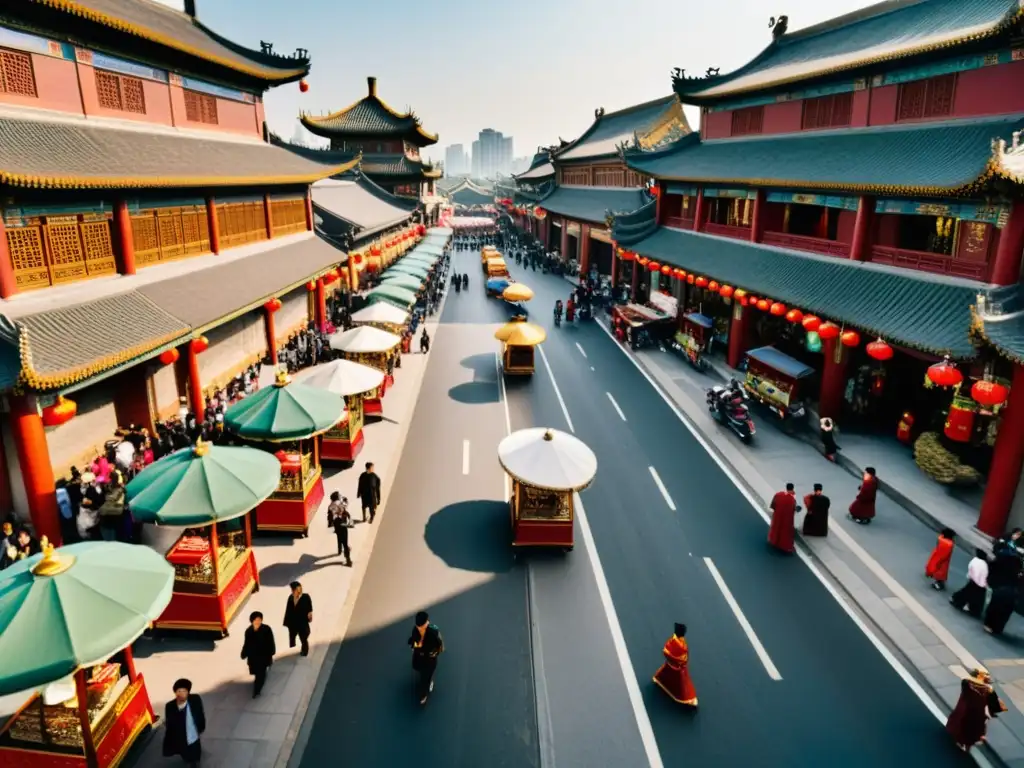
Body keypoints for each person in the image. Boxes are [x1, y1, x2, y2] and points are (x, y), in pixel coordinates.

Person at [946, 668, 1006, 752]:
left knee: (973, 726)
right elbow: (994, 704)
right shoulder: (979, 689)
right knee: (968, 727)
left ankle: (970, 739)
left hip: (973, 713)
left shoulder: (968, 685)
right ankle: (964, 742)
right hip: (972, 713)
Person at [652, 623, 698, 707]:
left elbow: (665, 650)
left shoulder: (672, 640)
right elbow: (683, 658)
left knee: (665, 673)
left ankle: (660, 681)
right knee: (682, 683)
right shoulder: (682, 645)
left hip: (670, 664)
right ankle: (687, 699)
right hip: (678, 668)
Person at [162, 678, 205, 766]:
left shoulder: (195, 699)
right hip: (181, 737)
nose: (181, 694)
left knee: (196, 753)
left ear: (188, 693)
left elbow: (200, 713)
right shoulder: (170, 706)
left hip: (194, 735)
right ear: (175, 693)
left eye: (184, 691)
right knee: (186, 754)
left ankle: (195, 762)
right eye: (179, 691)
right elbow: (170, 723)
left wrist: (201, 726)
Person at [984, 538, 1021, 635]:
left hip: (1001, 588)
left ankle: (989, 624)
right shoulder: (1016, 560)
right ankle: (997, 628)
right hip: (1012, 590)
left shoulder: (1001, 557)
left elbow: (993, 569)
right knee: (1005, 611)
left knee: (995, 606)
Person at [409, 610, 444, 705]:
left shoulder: (433, 631)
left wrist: (434, 653)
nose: (419, 629)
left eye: (421, 626)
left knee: (425, 678)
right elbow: (412, 641)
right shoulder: (415, 631)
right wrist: (414, 646)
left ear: (426, 623)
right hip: (418, 656)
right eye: (418, 627)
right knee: (416, 667)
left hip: (429, 659)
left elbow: (440, 646)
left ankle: (423, 695)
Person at [240, 611, 276, 697]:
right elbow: (247, 644)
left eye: (259, 620)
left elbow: (271, 642)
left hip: (263, 657)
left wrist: (272, 651)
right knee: (257, 673)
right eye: (255, 620)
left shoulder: (266, 629)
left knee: (261, 675)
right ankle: (257, 687)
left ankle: (257, 690)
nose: (257, 622)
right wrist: (244, 653)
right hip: (253, 658)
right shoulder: (249, 631)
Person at [950, 548, 990, 618]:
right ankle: (974, 610)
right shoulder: (985, 564)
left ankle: (957, 601)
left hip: (974, 582)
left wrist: (970, 578)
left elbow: (972, 572)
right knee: (978, 599)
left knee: (965, 593)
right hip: (981, 584)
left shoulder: (975, 561)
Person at [767, 483, 799, 554]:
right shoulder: (792, 499)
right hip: (786, 519)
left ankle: (773, 541)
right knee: (785, 532)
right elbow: (794, 509)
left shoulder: (778, 495)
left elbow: (773, 505)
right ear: (792, 489)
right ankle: (785, 547)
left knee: (776, 528)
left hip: (777, 516)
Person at [284, 581, 313, 656]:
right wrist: (287, 623)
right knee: (292, 638)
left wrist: (310, 615)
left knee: (304, 638)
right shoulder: (290, 598)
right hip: (293, 622)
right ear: (293, 590)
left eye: (300, 588)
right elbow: (288, 611)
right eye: (297, 589)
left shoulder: (306, 597)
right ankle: (293, 648)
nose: (299, 590)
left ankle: (305, 651)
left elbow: (310, 608)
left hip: (302, 622)